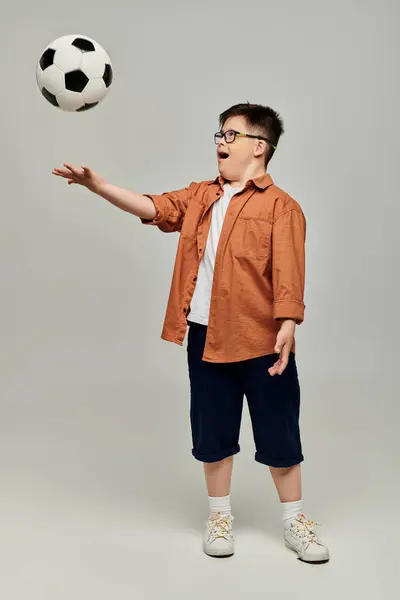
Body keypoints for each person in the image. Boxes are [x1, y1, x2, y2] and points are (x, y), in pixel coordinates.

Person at [53, 102, 329, 563]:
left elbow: (289, 274)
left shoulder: (284, 208)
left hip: (262, 341)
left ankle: (295, 520)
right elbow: (154, 207)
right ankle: (219, 516)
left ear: (259, 147)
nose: (220, 142)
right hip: (205, 336)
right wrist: (97, 185)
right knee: (212, 432)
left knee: (280, 432)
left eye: (231, 135)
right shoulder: (201, 196)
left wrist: (287, 324)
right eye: (219, 134)